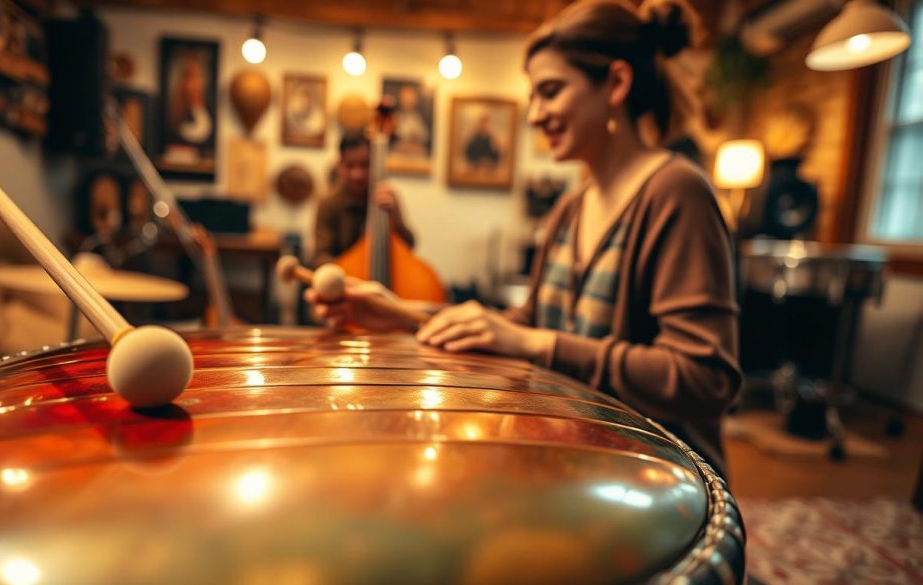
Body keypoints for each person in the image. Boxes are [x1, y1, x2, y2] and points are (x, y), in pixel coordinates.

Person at [306, 0, 741, 474]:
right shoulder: (570, 209)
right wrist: (397, 313)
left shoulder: (676, 192)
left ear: (616, 83)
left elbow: (704, 379)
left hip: (661, 483)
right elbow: (523, 326)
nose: (534, 115)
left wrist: (535, 343)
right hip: (580, 458)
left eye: (550, 92)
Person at [311, 133, 417, 268]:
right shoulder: (328, 203)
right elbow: (320, 256)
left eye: (365, 165)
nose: (357, 174)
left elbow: (409, 246)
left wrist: (396, 219)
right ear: (340, 165)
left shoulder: (386, 199)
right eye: (350, 166)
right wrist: (351, 270)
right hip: (343, 283)